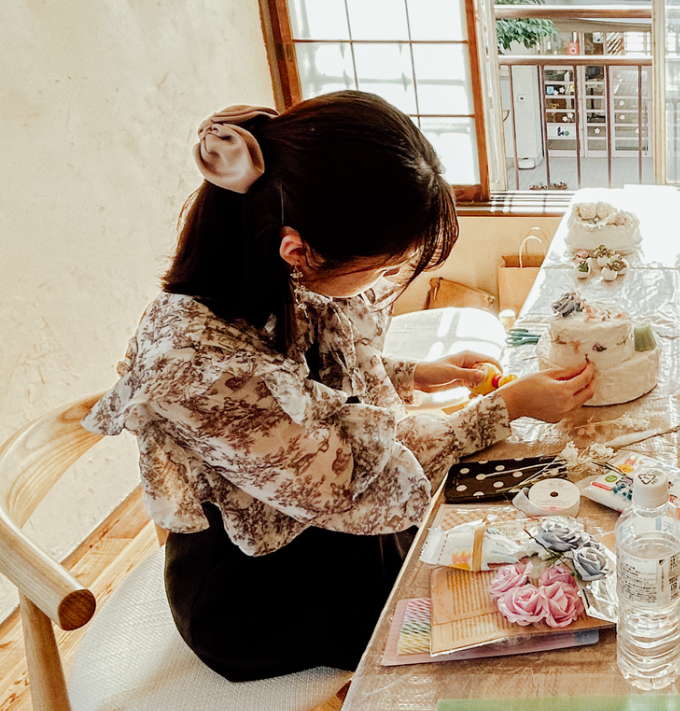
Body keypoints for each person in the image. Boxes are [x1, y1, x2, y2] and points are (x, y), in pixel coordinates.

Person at [82, 92, 596, 681]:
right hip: (263, 594)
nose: (384, 281)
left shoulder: (265, 272)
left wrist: (415, 373)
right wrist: (503, 407)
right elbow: (358, 470)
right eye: (381, 267)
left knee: (509, 551)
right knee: (499, 622)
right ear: (299, 249)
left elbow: (311, 379)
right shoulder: (199, 366)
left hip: (325, 525)